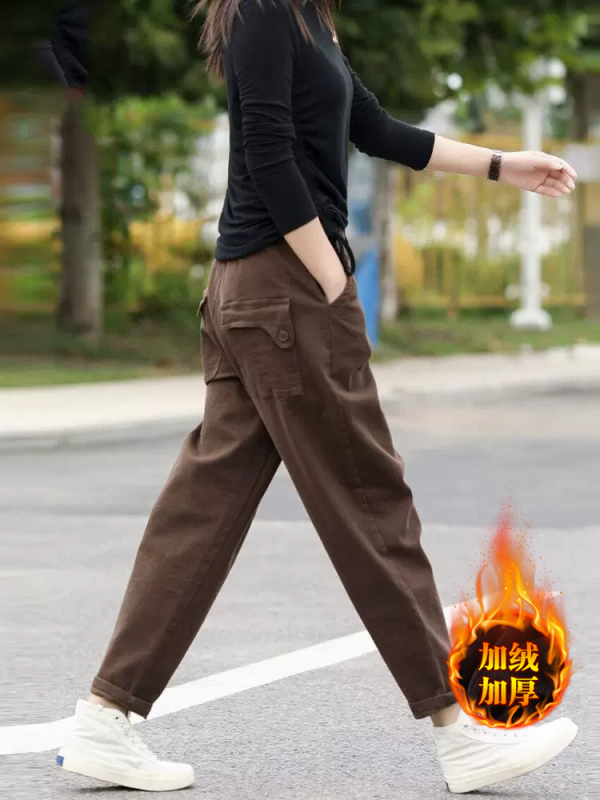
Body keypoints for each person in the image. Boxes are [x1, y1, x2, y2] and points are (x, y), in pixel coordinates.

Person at [55, 0, 579, 793]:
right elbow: (268, 154)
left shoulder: (305, 16)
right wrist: (330, 278)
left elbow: (378, 130)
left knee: (204, 508)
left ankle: (106, 717)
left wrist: (505, 166)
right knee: (369, 501)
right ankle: (459, 732)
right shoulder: (269, 10)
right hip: (287, 293)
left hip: (253, 293)